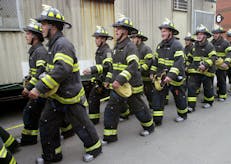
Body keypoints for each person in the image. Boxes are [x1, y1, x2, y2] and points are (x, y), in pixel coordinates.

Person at [29, 5, 101, 162]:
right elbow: (52, 69)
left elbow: (62, 70)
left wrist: (39, 87)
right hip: (57, 96)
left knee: (81, 125)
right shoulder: (53, 45)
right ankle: (52, 155)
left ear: (52, 26)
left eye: (43, 24)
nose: (41, 28)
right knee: (46, 123)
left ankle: (95, 148)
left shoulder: (63, 44)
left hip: (70, 96)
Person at [102, 15, 154, 144]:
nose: (116, 31)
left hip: (132, 86)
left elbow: (133, 66)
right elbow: (114, 68)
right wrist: (109, 79)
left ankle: (149, 126)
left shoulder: (130, 47)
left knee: (138, 108)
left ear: (125, 31)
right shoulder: (116, 47)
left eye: (118, 29)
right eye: (116, 28)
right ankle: (110, 136)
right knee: (111, 109)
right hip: (118, 86)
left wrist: (119, 79)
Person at [83, 26, 130, 124]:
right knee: (94, 97)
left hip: (107, 80)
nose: (95, 40)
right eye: (95, 38)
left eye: (97, 38)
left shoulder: (107, 52)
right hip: (102, 80)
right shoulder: (100, 51)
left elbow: (107, 66)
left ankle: (124, 113)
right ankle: (94, 119)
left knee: (112, 98)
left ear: (103, 39)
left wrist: (92, 69)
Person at [150, 18, 188, 125]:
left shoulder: (177, 45)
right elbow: (155, 61)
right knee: (157, 97)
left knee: (179, 97)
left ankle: (183, 114)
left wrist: (170, 76)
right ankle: (157, 121)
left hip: (175, 78)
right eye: (161, 31)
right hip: (162, 77)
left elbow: (179, 63)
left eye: (164, 31)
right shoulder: (160, 45)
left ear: (170, 32)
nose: (162, 33)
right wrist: (152, 73)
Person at [187, 24, 217, 111]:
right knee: (191, 87)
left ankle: (209, 102)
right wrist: (187, 65)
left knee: (207, 88)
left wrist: (205, 65)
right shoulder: (194, 46)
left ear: (205, 36)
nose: (199, 36)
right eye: (198, 34)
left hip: (207, 71)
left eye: (201, 34)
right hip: (195, 71)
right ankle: (191, 106)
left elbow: (213, 57)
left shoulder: (210, 46)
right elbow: (190, 57)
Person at [130, 30, 154, 107]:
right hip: (138, 77)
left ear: (139, 39)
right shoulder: (133, 49)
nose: (132, 40)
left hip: (146, 77)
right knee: (135, 94)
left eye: (134, 38)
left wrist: (139, 71)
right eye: (132, 38)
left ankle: (153, 107)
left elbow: (148, 62)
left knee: (149, 93)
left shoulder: (146, 49)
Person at [211, 26, 231, 101]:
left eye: (216, 33)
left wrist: (226, 63)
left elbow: (230, 53)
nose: (215, 35)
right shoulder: (212, 42)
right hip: (213, 66)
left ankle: (223, 96)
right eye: (214, 33)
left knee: (221, 81)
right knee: (211, 81)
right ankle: (217, 93)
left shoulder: (225, 42)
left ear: (220, 34)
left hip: (221, 65)